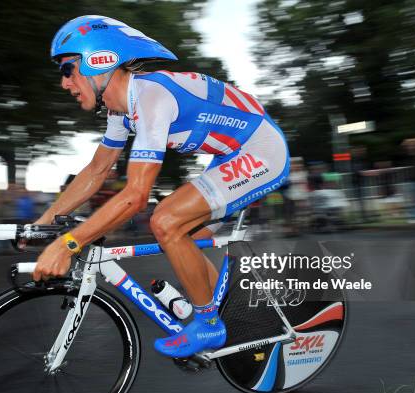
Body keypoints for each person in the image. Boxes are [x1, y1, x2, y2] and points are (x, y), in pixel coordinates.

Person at [34, 15, 290, 358]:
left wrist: (67, 244)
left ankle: (208, 323)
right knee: (181, 237)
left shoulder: (152, 97)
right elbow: (97, 169)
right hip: (231, 152)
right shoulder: (121, 109)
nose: (65, 83)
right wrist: (44, 223)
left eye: (68, 69)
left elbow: (136, 196)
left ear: (100, 60)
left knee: (166, 219)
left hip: (261, 150)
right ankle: (226, 312)